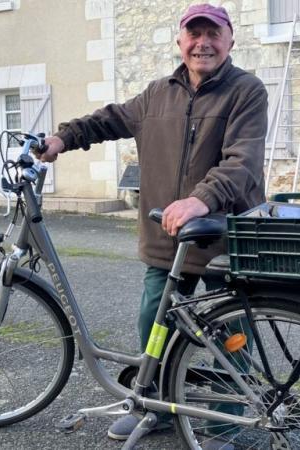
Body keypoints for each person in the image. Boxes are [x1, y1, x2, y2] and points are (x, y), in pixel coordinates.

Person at [38, 3, 267, 446]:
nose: (203, 42)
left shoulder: (247, 91)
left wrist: (202, 199)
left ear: (230, 39)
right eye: (194, 34)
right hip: (169, 240)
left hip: (225, 237)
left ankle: (225, 423)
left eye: (213, 34)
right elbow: (107, 120)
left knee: (232, 335)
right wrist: (62, 138)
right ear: (180, 41)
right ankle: (156, 409)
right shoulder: (157, 93)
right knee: (154, 325)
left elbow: (243, 162)